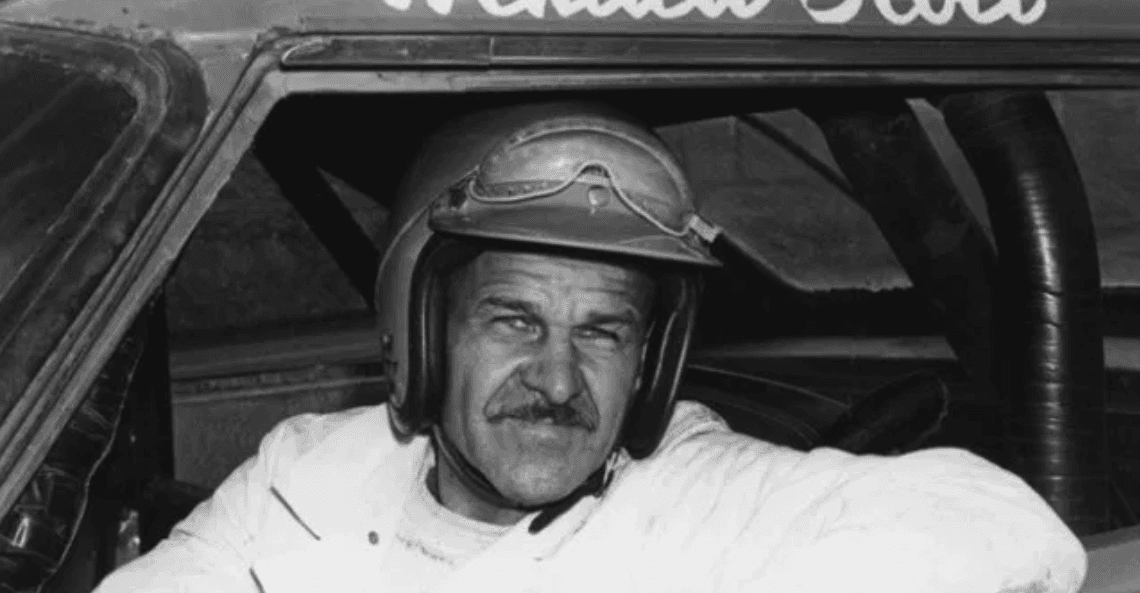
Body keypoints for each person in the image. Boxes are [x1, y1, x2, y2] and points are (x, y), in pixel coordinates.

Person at [94, 102, 1087, 593]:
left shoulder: (692, 489)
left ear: (650, 365)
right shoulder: (305, 474)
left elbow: (991, 517)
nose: (559, 377)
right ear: (423, 333)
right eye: (514, 320)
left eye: (604, 330)